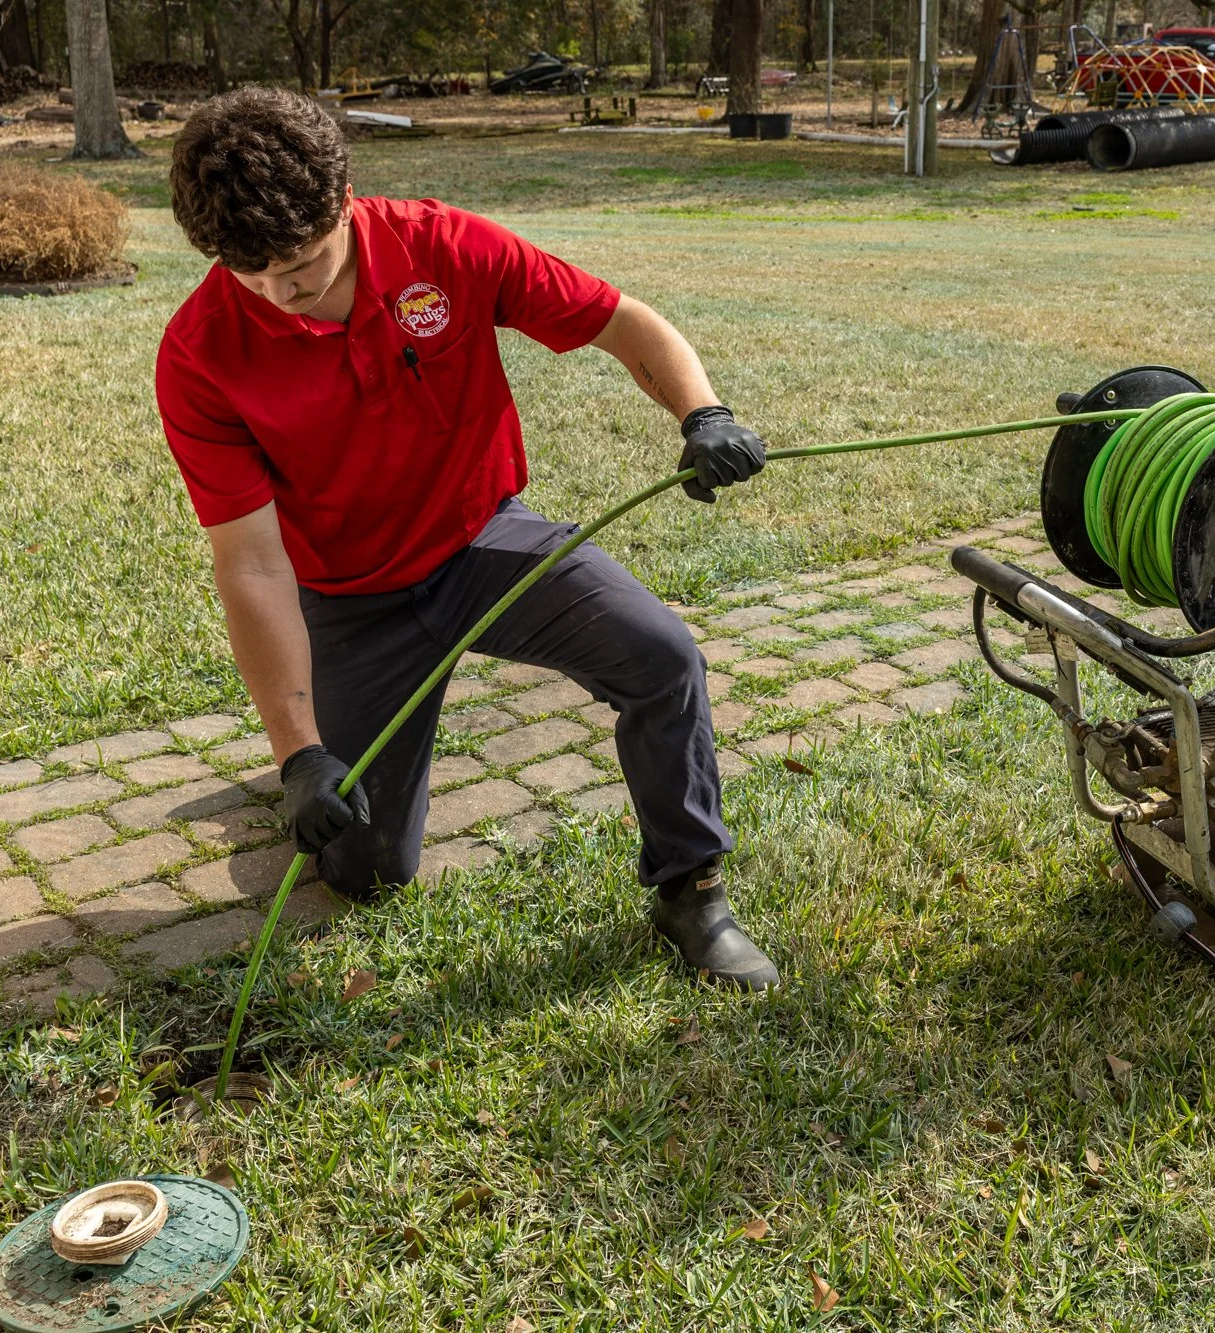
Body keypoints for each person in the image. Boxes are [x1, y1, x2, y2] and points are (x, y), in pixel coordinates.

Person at [154, 87, 778, 990]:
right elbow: (251, 563)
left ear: (346, 196)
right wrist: (298, 752)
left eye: (304, 263)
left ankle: (692, 889)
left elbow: (622, 322)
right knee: (367, 873)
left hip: (485, 543)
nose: (284, 294)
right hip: (350, 600)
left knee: (662, 657)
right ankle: (326, 754)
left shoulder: (444, 246)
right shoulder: (200, 353)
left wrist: (703, 412)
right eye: (252, 275)